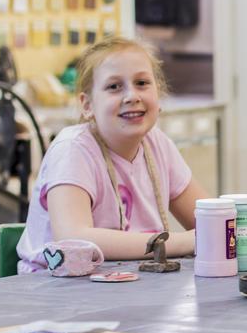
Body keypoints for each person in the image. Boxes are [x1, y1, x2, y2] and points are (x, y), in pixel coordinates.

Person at [17, 37, 207, 272]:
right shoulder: (72, 149)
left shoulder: (158, 145)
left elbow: (209, 221)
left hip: (128, 286)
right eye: (114, 87)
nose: (132, 96)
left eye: (142, 83)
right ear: (87, 105)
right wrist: (178, 242)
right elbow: (73, 238)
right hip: (54, 292)